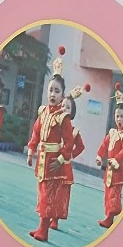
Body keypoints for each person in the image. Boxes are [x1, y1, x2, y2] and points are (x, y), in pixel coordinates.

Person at [25, 50, 74, 244]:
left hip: (54, 163)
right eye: (51, 90)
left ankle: (44, 231)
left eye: (57, 91)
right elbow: (36, 132)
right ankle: (41, 227)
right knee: (42, 193)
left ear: (63, 95)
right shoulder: (43, 112)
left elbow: (69, 143)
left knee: (48, 196)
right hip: (42, 160)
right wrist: (31, 150)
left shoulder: (63, 117)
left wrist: (61, 159)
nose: (53, 94)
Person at [49, 85, 88, 230]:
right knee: (50, 191)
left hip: (64, 167)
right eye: (63, 105)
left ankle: (55, 219)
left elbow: (81, 147)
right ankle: (47, 216)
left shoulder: (74, 131)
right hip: (52, 163)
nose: (64, 108)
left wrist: (70, 155)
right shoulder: (54, 125)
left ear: (72, 113)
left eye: (68, 107)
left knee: (60, 194)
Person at [96, 84, 123, 227]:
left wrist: (116, 160)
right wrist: (100, 156)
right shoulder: (112, 132)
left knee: (114, 195)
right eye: (117, 116)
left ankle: (111, 216)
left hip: (117, 171)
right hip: (109, 170)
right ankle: (108, 217)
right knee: (107, 194)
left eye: (122, 116)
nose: (119, 119)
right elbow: (104, 145)